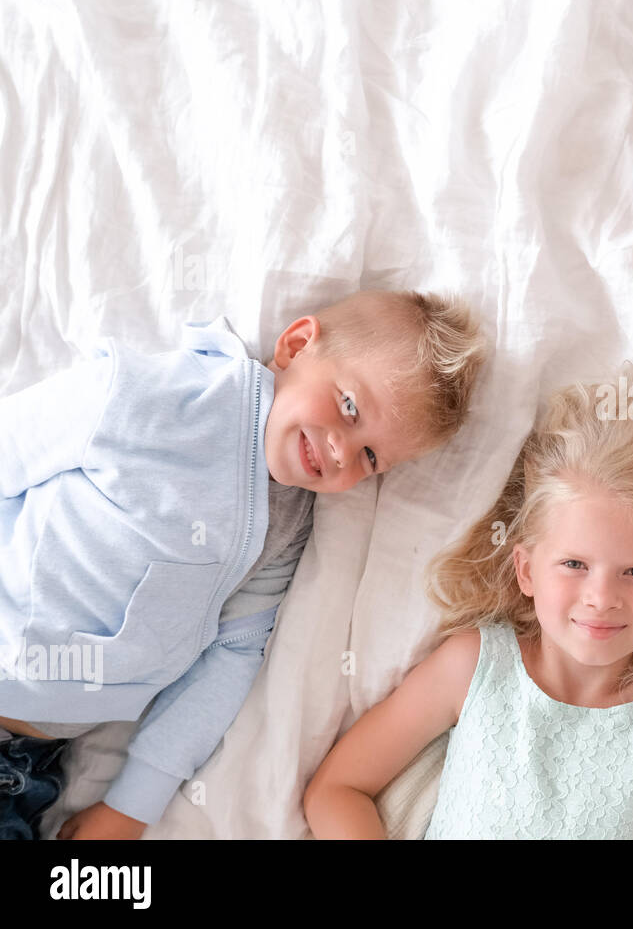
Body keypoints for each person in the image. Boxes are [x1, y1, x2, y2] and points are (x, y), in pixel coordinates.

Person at [0, 289, 486, 839]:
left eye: (370, 458)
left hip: (27, 758)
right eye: (350, 407)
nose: (340, 452)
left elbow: (228, 662)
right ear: (298, 344)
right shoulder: (154, 395)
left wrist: (132, 806)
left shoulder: (285, 530)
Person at [303, 380, 633, 839]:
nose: (601, 597)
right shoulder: (474, 667)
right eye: (574, 564)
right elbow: (338, 789)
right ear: (526, 571)